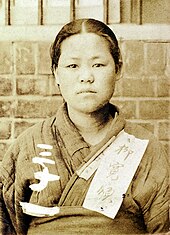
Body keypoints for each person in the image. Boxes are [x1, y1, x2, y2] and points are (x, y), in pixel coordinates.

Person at [0, 18, 169, 235]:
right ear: (56, 73)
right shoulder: (28, 144)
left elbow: (163, 228)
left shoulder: (144, 147)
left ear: (117, 69)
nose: (86, 77)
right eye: (72, 66)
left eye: (98, 65)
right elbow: (6, 224)